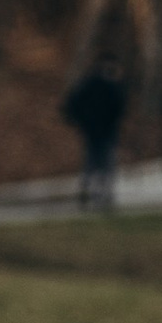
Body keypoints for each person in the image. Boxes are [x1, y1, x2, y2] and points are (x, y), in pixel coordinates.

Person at [61, 54, 127, 209]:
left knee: (91, 162)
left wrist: (80, 122)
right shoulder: (111, 87)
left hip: (92, 131)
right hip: (105, 131)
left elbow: (72, 103)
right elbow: (119, 108)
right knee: (105, 163)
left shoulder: (87, 84)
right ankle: (103, 193)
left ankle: (88, 189)